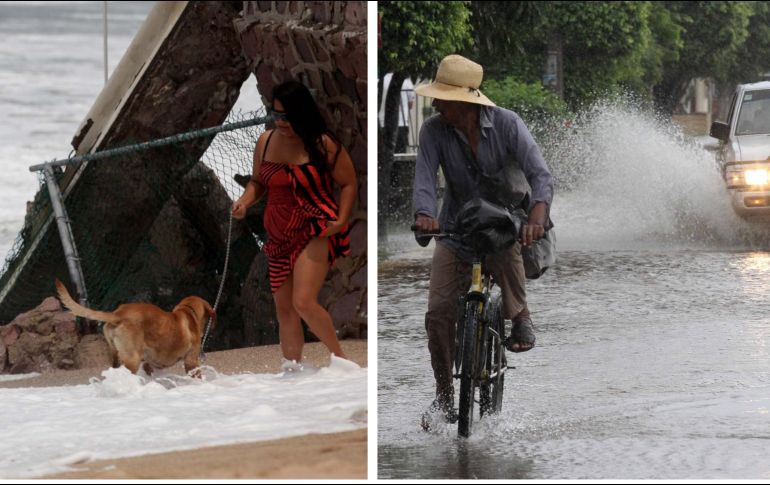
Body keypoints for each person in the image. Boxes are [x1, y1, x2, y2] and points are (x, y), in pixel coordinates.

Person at [412, 54, 554, 421]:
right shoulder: (433, 131)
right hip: (456, 227)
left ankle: (520, 314)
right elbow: (425, 178)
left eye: (442, 97)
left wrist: (538, 214)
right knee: (438, 314)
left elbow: (540, 175)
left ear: (464, 100)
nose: (436, 103)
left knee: (505, 249)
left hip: (503, 224)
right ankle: (444, 396)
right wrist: (424, 215)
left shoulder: (508, 125)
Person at [232, 81, 357, 369]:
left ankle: (343, 363)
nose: (281, 122)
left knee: (303, 301)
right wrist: (244, 202)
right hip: (277, 233)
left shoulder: (322, 144)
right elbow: (258, 183)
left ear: (302, 113)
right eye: (276, 115)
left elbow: (348, 182)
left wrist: (340, 220)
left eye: (287, 116)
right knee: (284, 308)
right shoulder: (265, 142)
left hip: (314, 226)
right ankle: (292, 372)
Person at [378, 72, 416, 153]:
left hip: (382, 123)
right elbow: (410, 104)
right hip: (401, 123)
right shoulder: (406, 81)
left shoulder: (381, 79)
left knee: (384, 153)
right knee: (400, 154)